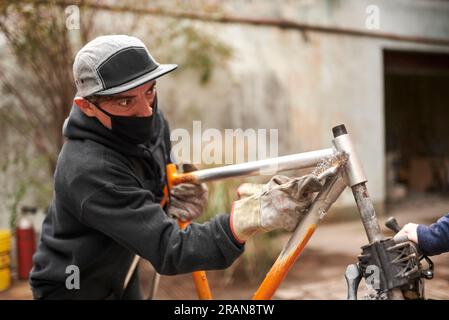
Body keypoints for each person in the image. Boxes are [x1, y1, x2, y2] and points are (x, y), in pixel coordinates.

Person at [29, 35, 323, 299]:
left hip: (121, 272)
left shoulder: (149, 120)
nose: (144, 110)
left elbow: (154, 178)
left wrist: (169, 195)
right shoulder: (87, 170)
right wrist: (245, 220)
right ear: (87, 106)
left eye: (150, 91)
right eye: (125, 100)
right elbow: (169, 249)